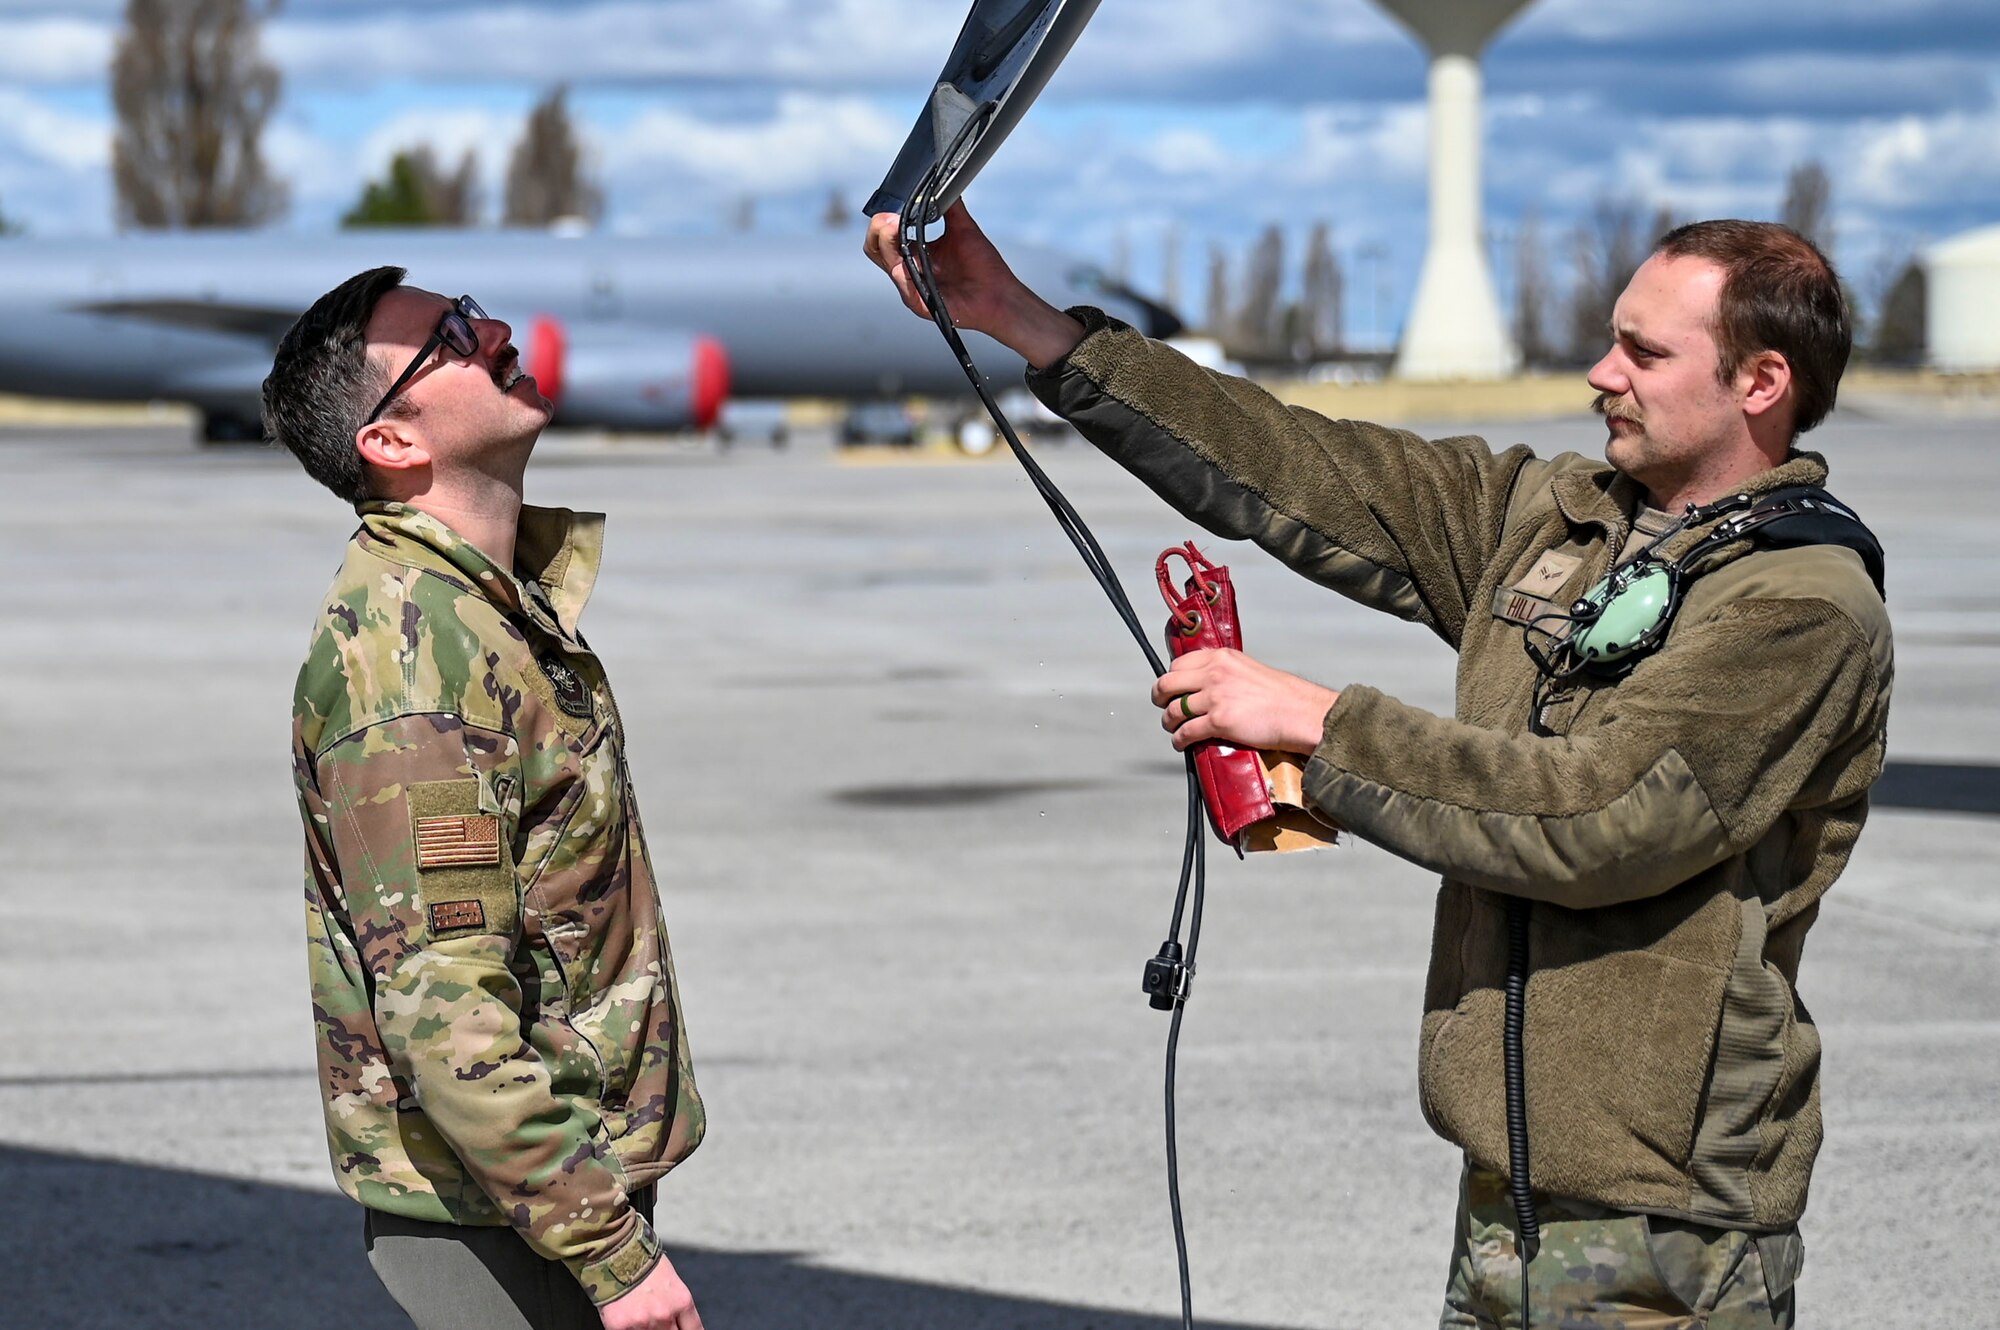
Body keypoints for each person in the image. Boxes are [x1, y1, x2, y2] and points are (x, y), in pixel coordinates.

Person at [866, 205, 1891, 1329]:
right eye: (1611, 337)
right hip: (1506, 1195)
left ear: (1760, 383)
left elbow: (1598, 816)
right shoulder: (1556, 520)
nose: (1601, 372)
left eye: (1643, 352)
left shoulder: (1798, 604)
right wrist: (1020, 320)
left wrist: (1318, 724)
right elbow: (1301, 466)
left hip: (1665, 1230)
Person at [263, 267, 706, 1330]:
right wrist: (615, 1260)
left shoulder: (486, 606)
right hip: (499, 1213)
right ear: (391, 442)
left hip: (538, 1185)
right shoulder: (415, 664)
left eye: (468, 312)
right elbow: (442, 1009)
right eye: (450, 339)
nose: (495, 330)